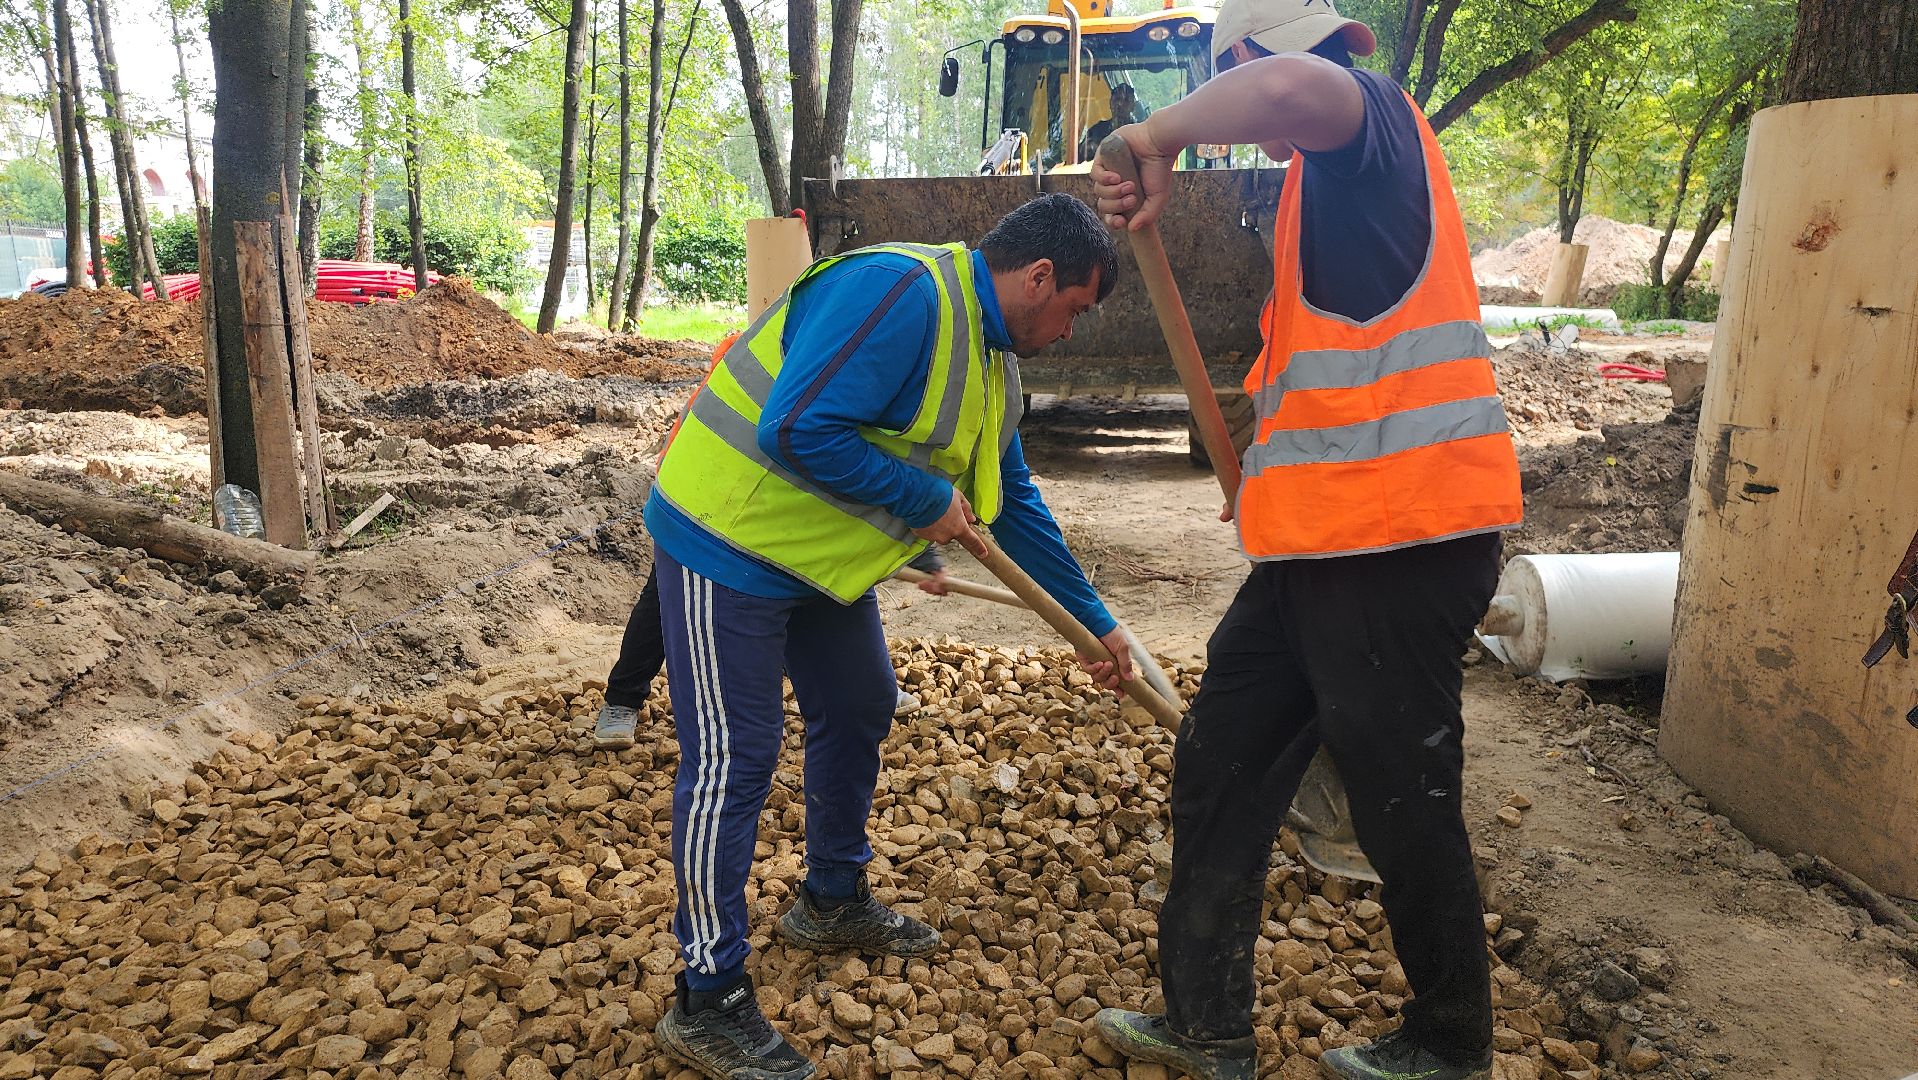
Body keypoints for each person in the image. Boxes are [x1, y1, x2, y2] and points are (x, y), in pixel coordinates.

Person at [1084, 1, 1524, 1078]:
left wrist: (1154, 136)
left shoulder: (1364, 118)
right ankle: (1206, 1026)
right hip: (1319, 552)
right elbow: (1326, 392)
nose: (1248, 113)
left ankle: (1450, 1039)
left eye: (1222, 80)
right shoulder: (1317, 190)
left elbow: (1288, 93)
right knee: (1221, 757)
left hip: (1400, 543)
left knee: (1397, 786)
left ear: (1244, 60)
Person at [643, 192, 1136, 1080]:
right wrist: (920, 503)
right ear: (1039, 277)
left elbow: (1009, 501)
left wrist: (1094, 625)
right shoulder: (902, 293)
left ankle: (831, 900)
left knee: (863, 699)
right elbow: (793, 427)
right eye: (1075, 309)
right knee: (733, 757)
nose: (1071, 332)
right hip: (731, 540)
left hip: (817, 557)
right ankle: (705, 994)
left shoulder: (994, 359)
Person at [590, 548, 946, 749]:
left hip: (786, 500)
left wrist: (917, 549)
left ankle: (856, 683)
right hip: (706, 498)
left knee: (815, 577)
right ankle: (622, 698)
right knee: (670, 592)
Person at [1081, 81, 1143, 162]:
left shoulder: (1140, 133)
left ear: (1133, 106)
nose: (1120, 104)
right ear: (1110, 103)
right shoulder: (1097, 130)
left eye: (1126, 100)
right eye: (1117, 99)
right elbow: (1081, 154)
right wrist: (1092, 148)